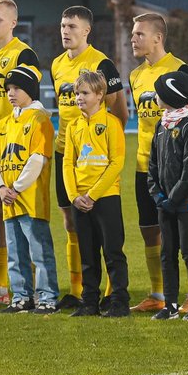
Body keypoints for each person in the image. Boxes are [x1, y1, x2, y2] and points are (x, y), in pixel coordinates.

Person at [50, 6, 128, 310]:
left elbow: (118, 112)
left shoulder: (102, 63)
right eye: (62, 25)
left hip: (99, 159)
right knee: (72, 223)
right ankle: (80, 291)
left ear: (86, 30)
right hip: (66, 150)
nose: (65, 31)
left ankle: (112, 294)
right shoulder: (57, 64)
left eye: (71, 26)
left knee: (108, 239)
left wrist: (104, 140)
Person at [129, 12, 188, 313]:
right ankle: (159, 295)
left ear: (158, 38)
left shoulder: (180, 69)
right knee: (150, 230)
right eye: (133, 34)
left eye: (139, 34)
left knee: (186, 239)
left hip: (178, 171)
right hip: (146, 166)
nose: (133, 39)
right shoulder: (134, 76)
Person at [0, 0, 42, 313]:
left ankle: (27, 283)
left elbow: (31, 95)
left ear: (13, 23)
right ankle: (1, 284)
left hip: (17, 141)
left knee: (20, 212)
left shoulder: (24, 54)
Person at [0, 67, 59, 316]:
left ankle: (47, 297)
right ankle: (21, 296)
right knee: (15, 252)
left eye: (16, 88)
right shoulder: (4, 123)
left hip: (30, 199)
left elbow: (37, 159)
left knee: (39, 251)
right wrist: (1, 187)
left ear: (30, 90)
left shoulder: (40, 120)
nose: (10, 93)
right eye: (8, 89)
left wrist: (16, 189)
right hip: (9, 199)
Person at [63, 70, 129, 318]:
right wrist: (74, 196)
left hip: (105, 197)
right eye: (77, 93)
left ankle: (119, 301)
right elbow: (68, 163)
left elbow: (116, 162)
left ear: (100, 95)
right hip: (79, 201)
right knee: (87, 254)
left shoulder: (111, 124)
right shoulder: (72, 126)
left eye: (84, 93)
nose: (78, 97)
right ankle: (89, 301)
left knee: (112, 251)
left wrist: (93, 195)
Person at [146, 70, 188, 321]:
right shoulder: (160, 126)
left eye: (160, 92)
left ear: (170, 94)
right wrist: (159, 196)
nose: (155, 96)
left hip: (186, 203)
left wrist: (173, 199)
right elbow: (152, 166)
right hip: (165, 203)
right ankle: (170, 305)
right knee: (167, 251)